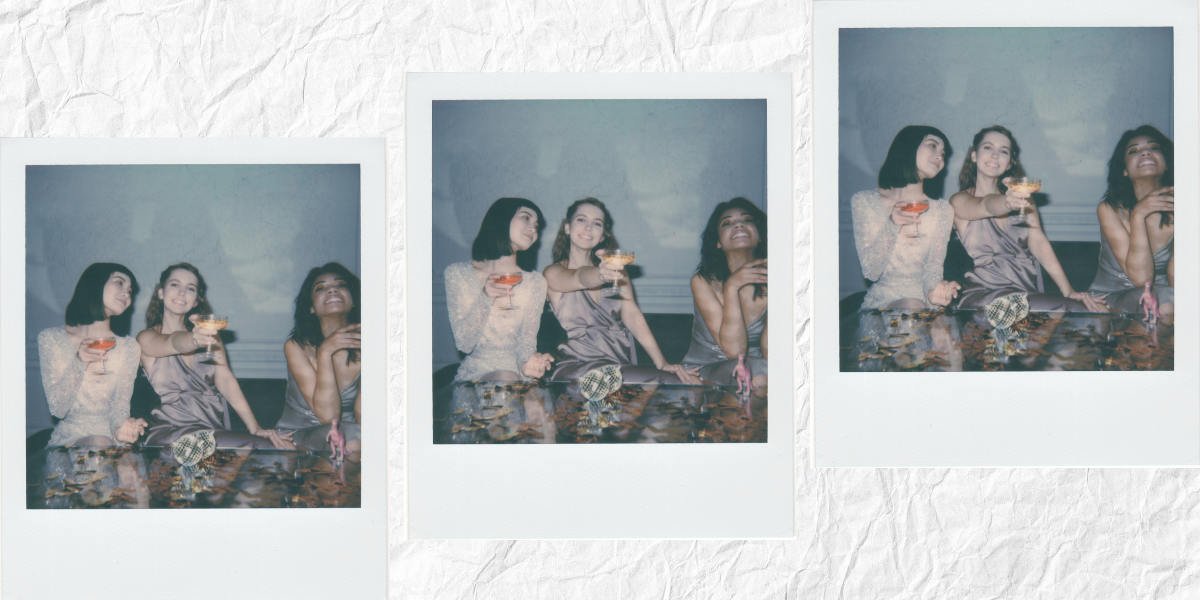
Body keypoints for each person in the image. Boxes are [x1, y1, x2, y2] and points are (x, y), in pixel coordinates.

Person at [136, 263, 295, 449]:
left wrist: (255, 428)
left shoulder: (210, 334)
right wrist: (193, 341)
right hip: (171, 433)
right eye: (174, 285)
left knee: (286, 448)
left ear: (195, 301)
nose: (182, 292)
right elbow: (172, 342)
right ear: (160, 292)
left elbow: (226, 379)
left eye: (190, 288)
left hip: (213, 428)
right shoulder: (145, 337)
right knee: (266, 448)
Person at [949, 126, 1107, 312]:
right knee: (1080, 311)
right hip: (985, 296)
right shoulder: (959, 200)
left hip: (1026, 291)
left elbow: (1039, 242)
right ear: (974, 155)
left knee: (1097, 310)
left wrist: (1068, 291)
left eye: (1003, 151)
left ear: (1008, 164)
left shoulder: (1023, 196)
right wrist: (1007, 203)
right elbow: (985, 205)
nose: (995, 155)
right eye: (988, 148)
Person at [543, 198, 700, 383]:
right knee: (671, 383)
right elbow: (578, 277)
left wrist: (662, 363)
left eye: (597, 223)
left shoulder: (616, 268)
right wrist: (600, 276)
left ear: (602, 236)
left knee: (692, 383)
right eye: (581, 220)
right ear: (567, 227)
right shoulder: (552, 272)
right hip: (578, 368)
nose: (588, 227)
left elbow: (632, 314)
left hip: (619, 363)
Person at [444, 197, 554, 382]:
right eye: (526, 218)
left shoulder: (536, 282)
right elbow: (464, 344)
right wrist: (485, 296)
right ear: (502, 218)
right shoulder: (457, 274)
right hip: (476, 377)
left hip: (518, 375)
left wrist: (527, 365)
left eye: (536, 225)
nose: (533, 229)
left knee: (511, 380)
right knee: (505, 378)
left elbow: (527, 342)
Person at [851, 125, 961, 310]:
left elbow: (933, 268)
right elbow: (871, 272)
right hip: (883, 305)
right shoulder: (864, 201)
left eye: (943, 153)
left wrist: (934, 292)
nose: (940, 156)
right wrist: (892, 224)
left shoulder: (943, 210)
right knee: (911, 306)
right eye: (932, 146)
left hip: (925, 303)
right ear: (908, 146)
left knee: (917, 308)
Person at [38, 263, 148, 446]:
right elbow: (58, 409)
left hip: (111, 440)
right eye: (119, 283)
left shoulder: (129, 347)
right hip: (70, 442)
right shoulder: (51, 339)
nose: (127, 293)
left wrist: (121, 429)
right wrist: (79, 361)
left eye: (130, 290)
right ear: (95, 283)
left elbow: (120, 407)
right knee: (99, 443)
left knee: (104, 444)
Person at [681, 198, 768, 394]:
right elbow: (735, 353)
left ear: (760, 236)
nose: (738, 224)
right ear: (718, 242)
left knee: (770, 373)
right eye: (727, 223)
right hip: (702, 370)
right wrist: (731, 288)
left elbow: (772, 353)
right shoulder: (702, 281)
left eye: (747, 220)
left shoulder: (776, 280)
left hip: (755, 371)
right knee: (758, 375)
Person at [277, 262, 364, 454]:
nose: (332, 290)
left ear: (354, 300)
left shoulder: (370, 345)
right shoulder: (296, 346)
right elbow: (328, 418)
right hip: (298, 435)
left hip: (350, 437)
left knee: (364, 439)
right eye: (321, 288)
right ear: (311, 308)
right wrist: (325, 352)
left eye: (340, 285)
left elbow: (364, 417)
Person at [1089, 125, 1175, 316]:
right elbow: (1141, 281)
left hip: (1163, 300)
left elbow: (1177, 281)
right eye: (1134, 151)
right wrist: (1138, 215)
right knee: (1165, 303)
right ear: (1124, 170)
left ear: (1166, 163)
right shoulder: (1109, 209)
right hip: (1111, 298)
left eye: (1154, 148)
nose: (1145, 152)